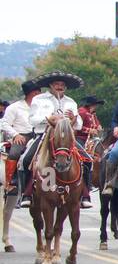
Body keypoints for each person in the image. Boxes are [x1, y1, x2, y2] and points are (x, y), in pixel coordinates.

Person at [23, 73, 84, 206]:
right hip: (44, 135)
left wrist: (74, 119)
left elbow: (79, 124)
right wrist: (48, 118)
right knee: (26, 159)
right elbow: (32, 120)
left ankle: (85, 194)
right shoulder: (39, 99)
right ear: (50, 85)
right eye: (56, 84)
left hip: (67, 138)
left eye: (62, 85)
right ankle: (26, 192)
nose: (59, 87)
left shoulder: (71, 102)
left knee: (87, 159)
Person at [1, 80, 41, 200]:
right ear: (33, 93)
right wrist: (15, 135)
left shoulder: (42, 108)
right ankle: (12, 182)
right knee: (14, 153)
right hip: (22, 136)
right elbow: (4, 124)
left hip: (39, 134)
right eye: (38, 93)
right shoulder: (15, 107)